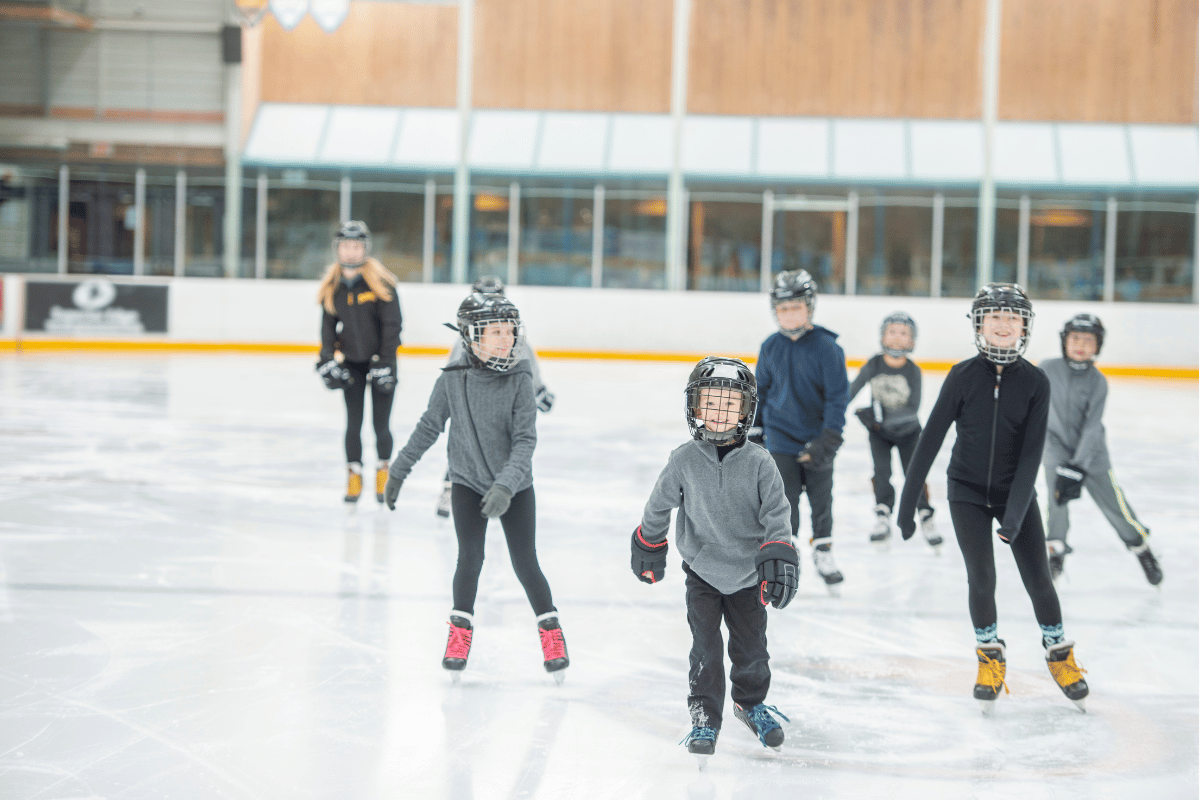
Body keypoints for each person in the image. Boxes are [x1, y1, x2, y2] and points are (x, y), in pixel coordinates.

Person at [896, 284, 1088, 714]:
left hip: (1014, 494)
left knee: (1039, 579)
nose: (1003, 324)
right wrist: (908, 504)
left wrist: (1015, 515)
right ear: (979, 324)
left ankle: (1059, 654)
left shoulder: (1036, 382)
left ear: (1024, 326)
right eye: (994, 317)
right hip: (965, 491)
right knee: (981, 579)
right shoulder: (962, 376)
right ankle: (989, 656)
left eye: (1012, 318)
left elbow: (1032, 455)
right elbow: (929, 441)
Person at [383, 292, 568, 682]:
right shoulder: (452, 378)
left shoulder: (521, 379)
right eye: (494, 331)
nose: (505, 339)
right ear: (470, 336)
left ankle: (552, 633)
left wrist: (505, 486)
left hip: (515, 487)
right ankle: (459, 635)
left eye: (510, 331)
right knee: (470, 558)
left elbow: (525, 441)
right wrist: (399, 470)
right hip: (466, 481)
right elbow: (429, 426)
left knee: (525, 563)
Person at [631, 357, 798, 765]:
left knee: (752, 649)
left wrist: (778, 550)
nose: (719, 414)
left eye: (730, 405)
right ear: (694, 407)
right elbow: (659, 506)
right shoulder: (684, 459)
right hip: (702, 573)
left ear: (745, 412)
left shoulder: (760, 462)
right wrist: (649, 542)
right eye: (710, 403)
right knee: (704, 647)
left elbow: (777, 512)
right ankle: (705, 715)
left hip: (747, 576)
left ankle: (750, 703)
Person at [1040, 314, 1161, 585]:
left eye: (1088, 340)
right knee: (1056, 501)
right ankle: (1056, 550)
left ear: (1098, 346)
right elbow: (1035, 412)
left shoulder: (1097, 381)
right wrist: (1056, 457)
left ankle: (1140, 547)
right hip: (1055, 450)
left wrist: (1079, 465)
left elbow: (1092, 427)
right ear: (1064, 341)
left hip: (1091, 456)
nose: (1081, 345)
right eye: (1075, 338)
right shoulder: (1046, 368)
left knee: (1114, 506)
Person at [752, 269, 850, 591]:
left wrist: (830, 436)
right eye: (783, 308)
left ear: (809, 307)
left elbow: (838, 397)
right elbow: (761, 392)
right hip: (780, 439)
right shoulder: (770, 347)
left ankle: (824, 551)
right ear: (774, 310)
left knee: (822, 500)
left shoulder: (827, 347)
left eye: (796, 307)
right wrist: (755, 431)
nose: (789, 314)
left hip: (818, 438)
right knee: (784, 502)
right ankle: (786, 556)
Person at [434, 275, 555, 518]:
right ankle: (452, 487)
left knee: (506, 445)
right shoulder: (465, 340)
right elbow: (453, 374)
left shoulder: (512, 336)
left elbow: (526, 365)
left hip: (505, 404)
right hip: (475, 402)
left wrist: (538, 390)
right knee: (467, 446)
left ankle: (504, 490)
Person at [315, 220, 402, 504]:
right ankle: (353, 475)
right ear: (337, 249)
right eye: (346, 246)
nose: (351, 252)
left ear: (365, 248)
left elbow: (392, 325)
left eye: (356, 246)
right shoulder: (333, 286)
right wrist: (327, 359)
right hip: (352, 363)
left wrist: (386, 361)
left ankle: (383, 473)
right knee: (353, 424)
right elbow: (328, 328)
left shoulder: (381, 283)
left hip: (381, 363)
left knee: (381, 425)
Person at [847, 312, 942, 549]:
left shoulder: (913, 371)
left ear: (912, 341)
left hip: (909, 432)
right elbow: (852, 391)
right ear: (883, 336)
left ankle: (925, 514)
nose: (898, 338)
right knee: (881, 472)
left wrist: (882, 415)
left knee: (914, 473)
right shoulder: (874, 364)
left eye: (904, 333)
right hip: (879, 433)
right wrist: (834, 413)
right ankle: (883, 514)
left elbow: (914, 408)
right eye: (892, 332)